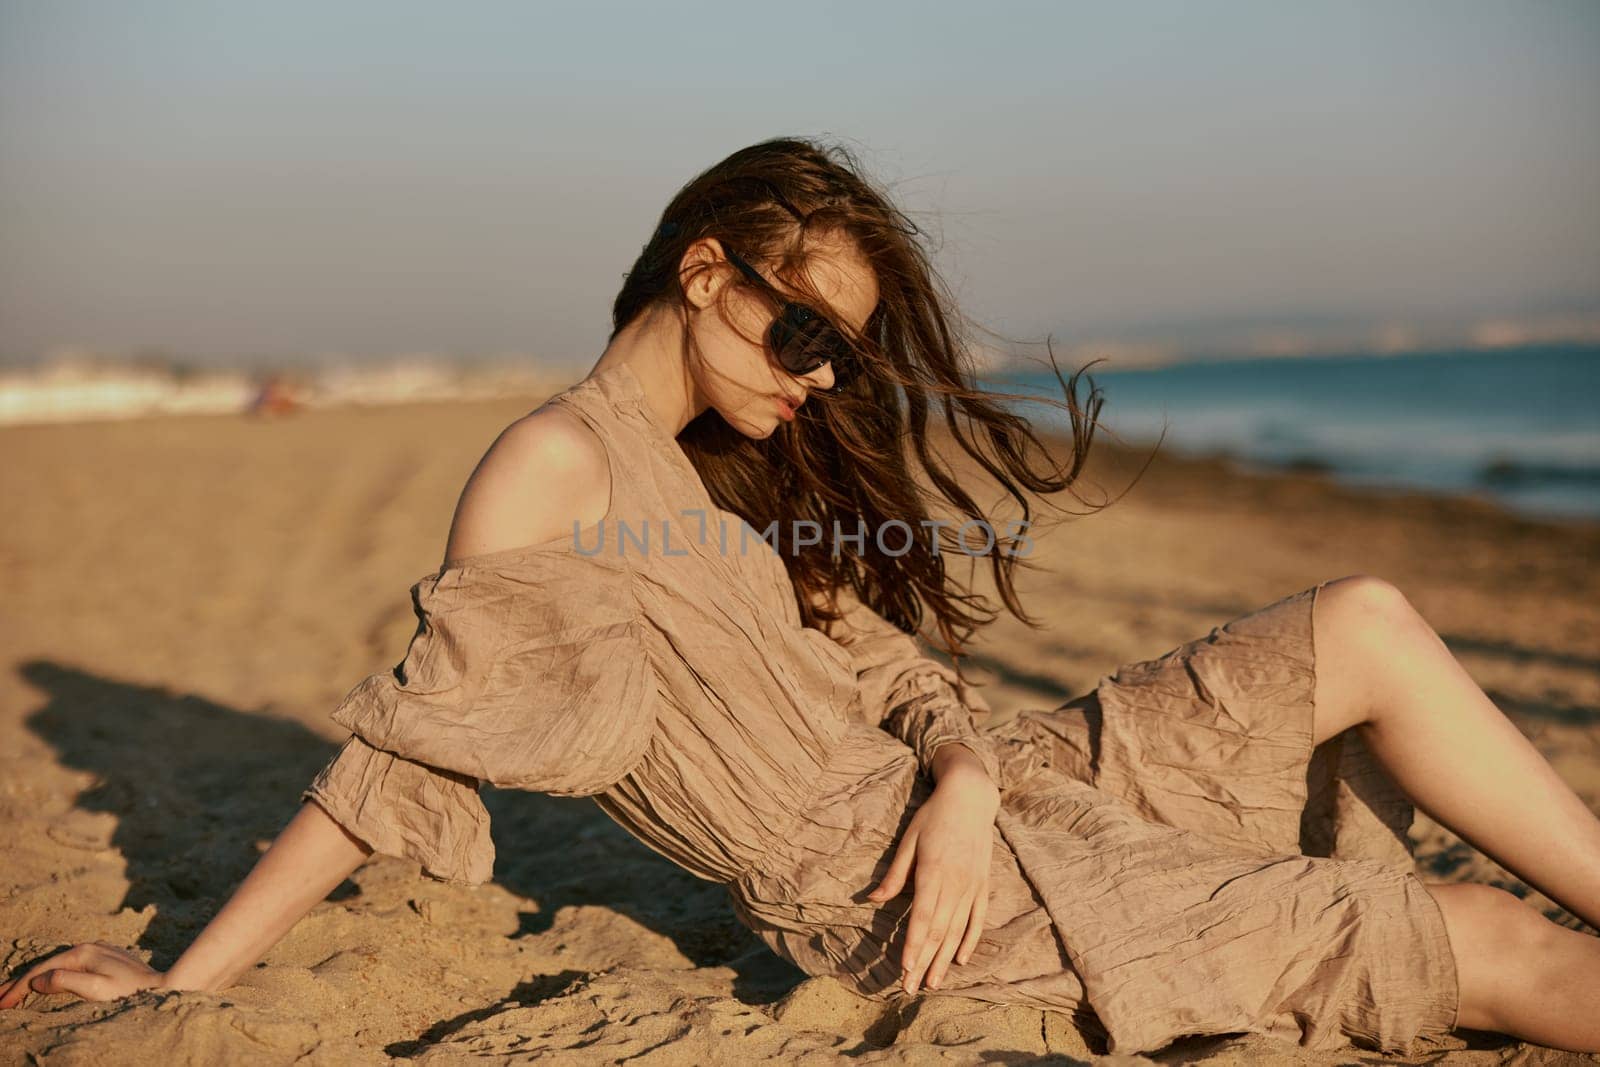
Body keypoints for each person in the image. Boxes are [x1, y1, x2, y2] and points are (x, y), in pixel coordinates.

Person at [4, 137, 1598, 1056]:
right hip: (920, 909)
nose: (823, 379)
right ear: (704, 275)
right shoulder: (552, 468)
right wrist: (186, 981)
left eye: (840, 351)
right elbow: (408, 751)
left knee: (1371, 616)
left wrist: (969, 770)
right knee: (1485, 937)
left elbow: (902, 672)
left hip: (998, 803)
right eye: (805, 338)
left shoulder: (714, 477)